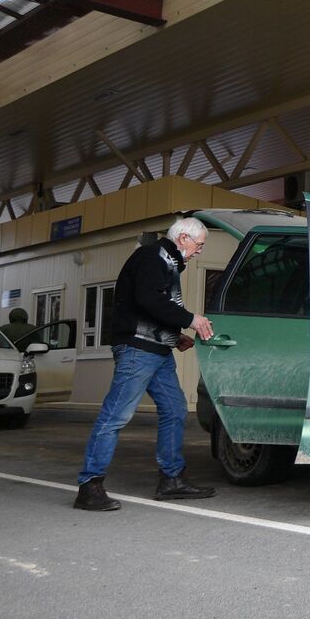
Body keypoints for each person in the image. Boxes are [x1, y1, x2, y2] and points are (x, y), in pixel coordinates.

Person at [74, 217, 217, 512]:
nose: (200, 250)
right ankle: (90, 486)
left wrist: (174, 337)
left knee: (176, 409)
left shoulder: (167, 261)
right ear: (184, 239)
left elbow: (152, 306)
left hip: (156, 350)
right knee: (116, 415)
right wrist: (192, 320)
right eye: (200, 244)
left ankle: (172, 479)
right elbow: (147, 299)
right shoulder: (151, 257)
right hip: (138, 350)